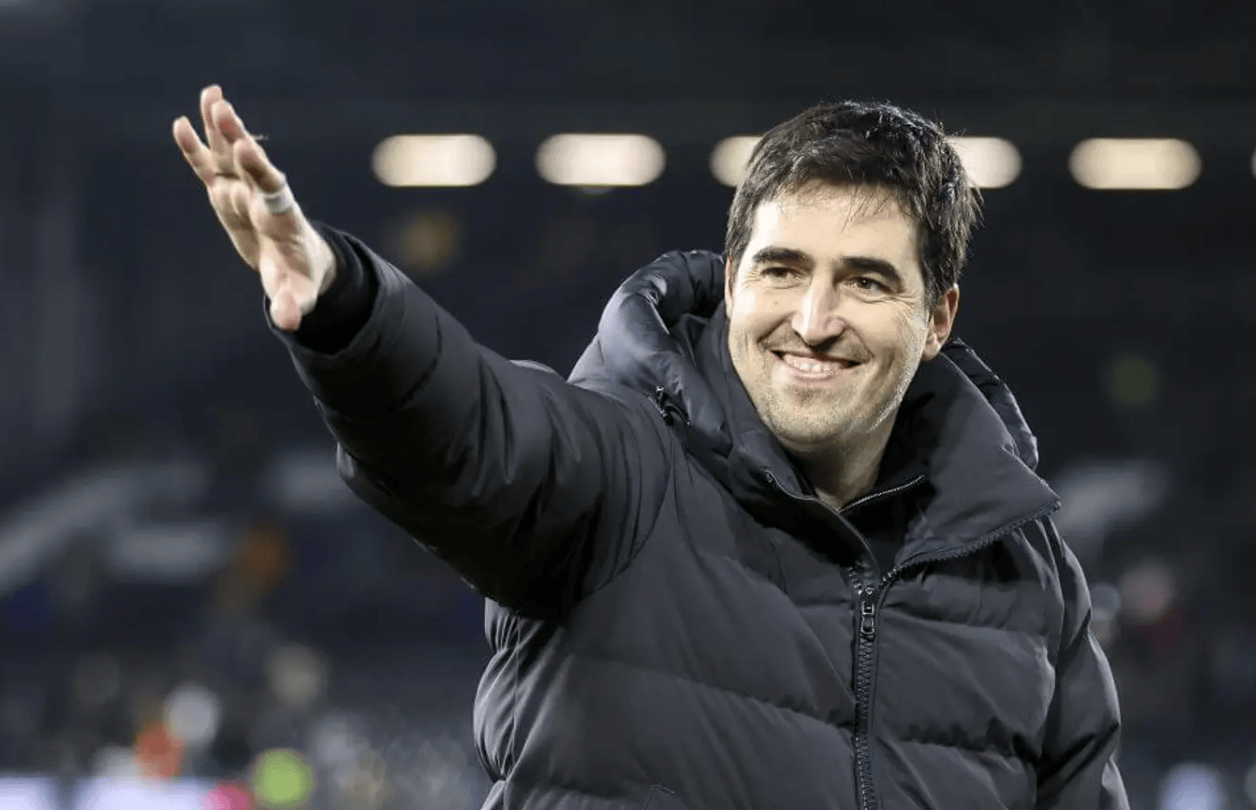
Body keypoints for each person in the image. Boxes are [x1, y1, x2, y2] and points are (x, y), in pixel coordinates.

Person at [173, 86, 1128, 810]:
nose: (813, 319)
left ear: (938, 318)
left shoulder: (1026, 576)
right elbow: (469, 429)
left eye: (866, 281)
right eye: (782, 269)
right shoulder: (621, 468)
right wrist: (348, 310)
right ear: (733, 279)